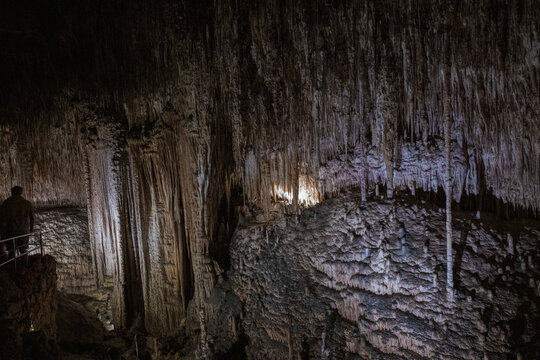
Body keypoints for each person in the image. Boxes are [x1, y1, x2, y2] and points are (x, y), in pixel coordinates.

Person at [0, 186, 34, 264]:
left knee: (11, 252)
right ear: (20, 193)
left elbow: (2, 219)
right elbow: (32, 218)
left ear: (12, 192)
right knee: (23, 250)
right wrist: (31, 230)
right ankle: (25, 267)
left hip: (11, 231)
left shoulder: (6, 203)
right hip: (24, 231)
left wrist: (2, 232)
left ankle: (12, 269)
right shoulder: (27, 203)